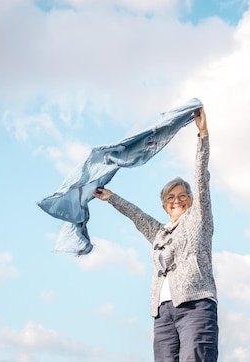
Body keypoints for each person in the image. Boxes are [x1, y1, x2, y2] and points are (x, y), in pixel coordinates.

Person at [93, 106, 218, 361]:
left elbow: (201, 179)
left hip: (195, 306)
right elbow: (138, 217)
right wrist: (111, 198)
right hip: (162, 314)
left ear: (191, 201)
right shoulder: (160, 233)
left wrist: (202, 135)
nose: (177, 200)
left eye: (183, 196)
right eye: (171, 198)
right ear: (164, 205)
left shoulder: (198, 220)